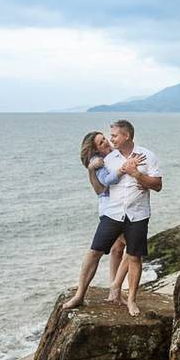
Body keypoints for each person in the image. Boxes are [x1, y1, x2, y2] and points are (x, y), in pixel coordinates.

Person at [63, 130, 145, 310]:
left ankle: (114, 289)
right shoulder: (99, 163)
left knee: (120, 248)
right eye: (101, 143)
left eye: (106, 139)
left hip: (126, 210)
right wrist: (94, 170)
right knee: (108, 250)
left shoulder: (116, 155)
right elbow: (100, 190)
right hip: (110, 209)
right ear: (95, 150)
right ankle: (95, 291)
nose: (107, 143)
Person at [100, 119, 162, 316]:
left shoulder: (148, 156)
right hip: (114, 214)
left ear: (126, 136)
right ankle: (105, 289)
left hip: (138, 214)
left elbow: (158, 185)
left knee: (134, 256)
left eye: (115, 136)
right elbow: (103, 186)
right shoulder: (110, 159)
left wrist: (137, 175)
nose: (112, 139)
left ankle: (132, 300)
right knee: (96, 251)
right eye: (110, 136)